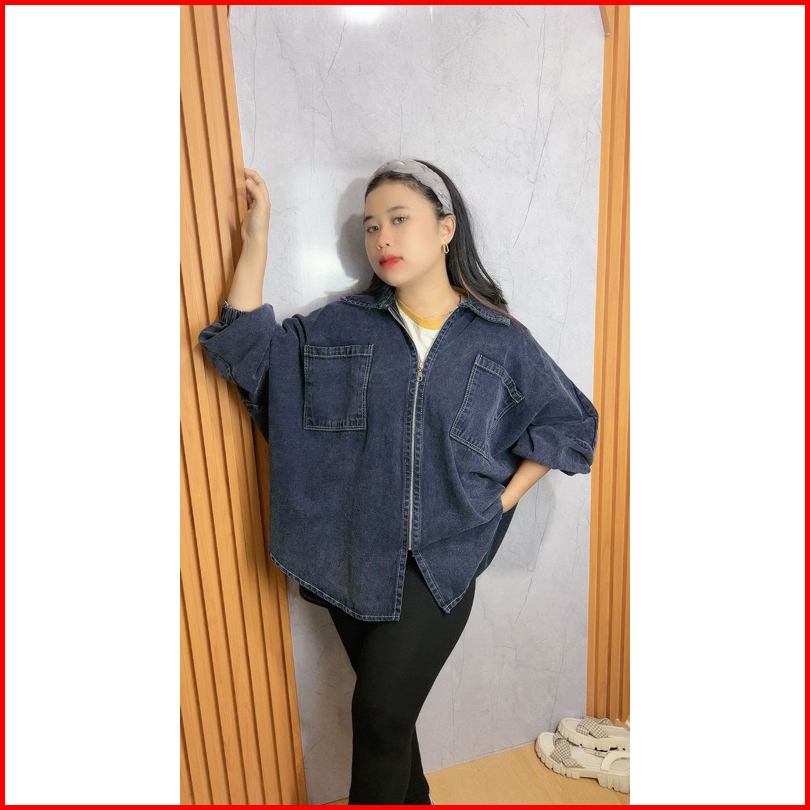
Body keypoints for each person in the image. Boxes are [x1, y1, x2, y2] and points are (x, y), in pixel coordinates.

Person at [198, 158, 599, 804]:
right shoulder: (341, 326)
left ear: (445, 229)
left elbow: (570, 423)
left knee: (380, 717)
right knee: (390, 722)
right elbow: (248, 349)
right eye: (370, 226)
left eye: (399, 219)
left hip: (441, 560)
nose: (382, 237)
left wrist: (502, 499)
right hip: (350, 555)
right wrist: (258, 236)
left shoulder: (499, 340)